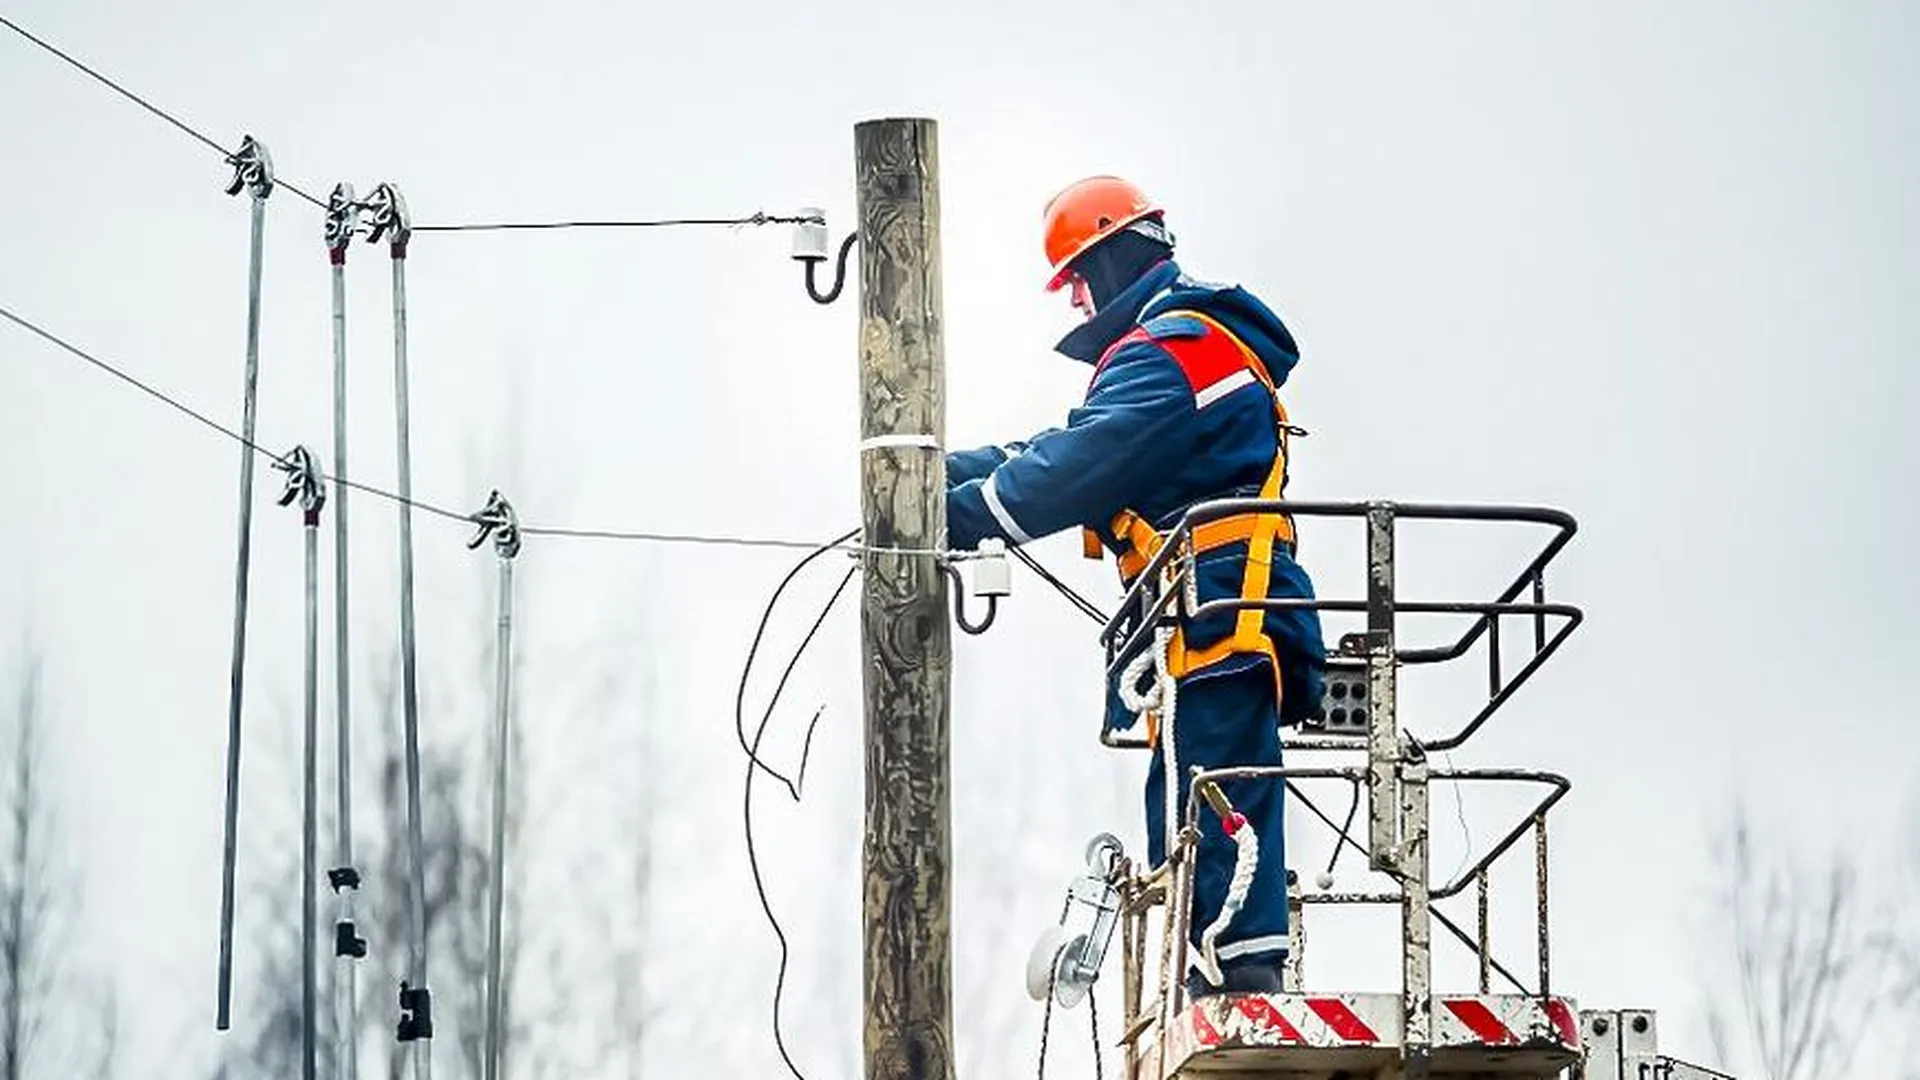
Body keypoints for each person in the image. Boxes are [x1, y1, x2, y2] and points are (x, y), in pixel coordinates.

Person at [944, 176, 1326, 996]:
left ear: (1109, 258)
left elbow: (1078, 467)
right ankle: (1224, 962)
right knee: (1199, 788)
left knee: (1210, 792)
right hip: (1218, 604)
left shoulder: (1171, 354)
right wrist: (929, 476)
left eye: (1078, 280)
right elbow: (1065, 447)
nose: (1077, 302)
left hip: (1220, 601)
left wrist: (957, 515)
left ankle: (1233, 972)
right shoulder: (1183, 347)